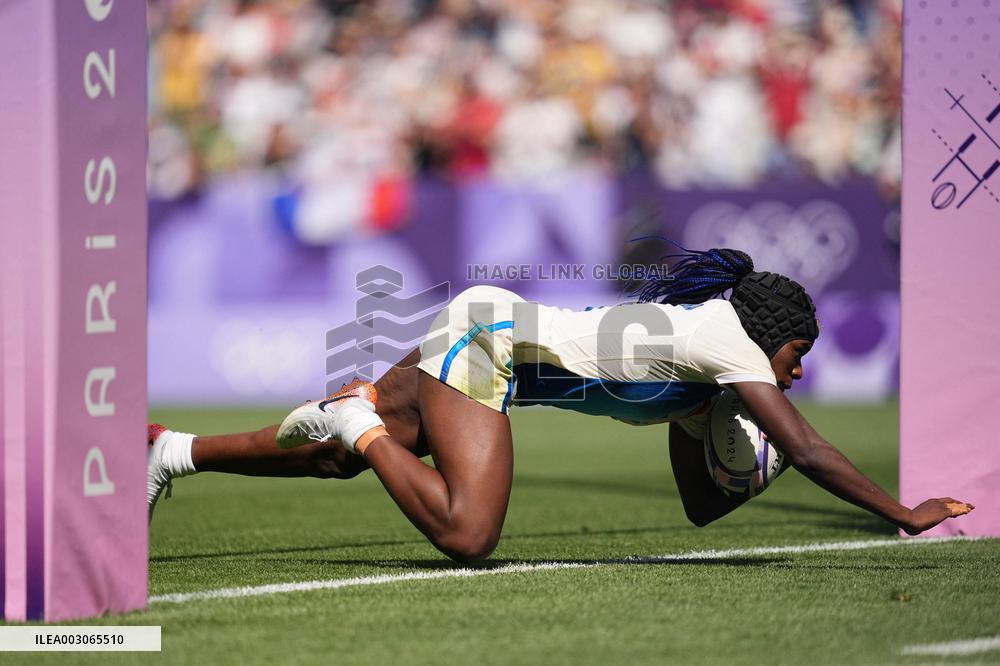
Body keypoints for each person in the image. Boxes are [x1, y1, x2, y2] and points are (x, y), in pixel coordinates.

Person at [147, 247, 973, 562]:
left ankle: (170, 451)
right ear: (769, 338)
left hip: (486, 328)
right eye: (796, 357)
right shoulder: (729, 340)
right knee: (468, 534)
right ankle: (357, 420)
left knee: (330, 463)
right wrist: (902, 513)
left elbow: (698, 507)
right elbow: (813, 447)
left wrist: (737, 457)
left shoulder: (711, 375)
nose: (795, 374)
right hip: (487, 341)